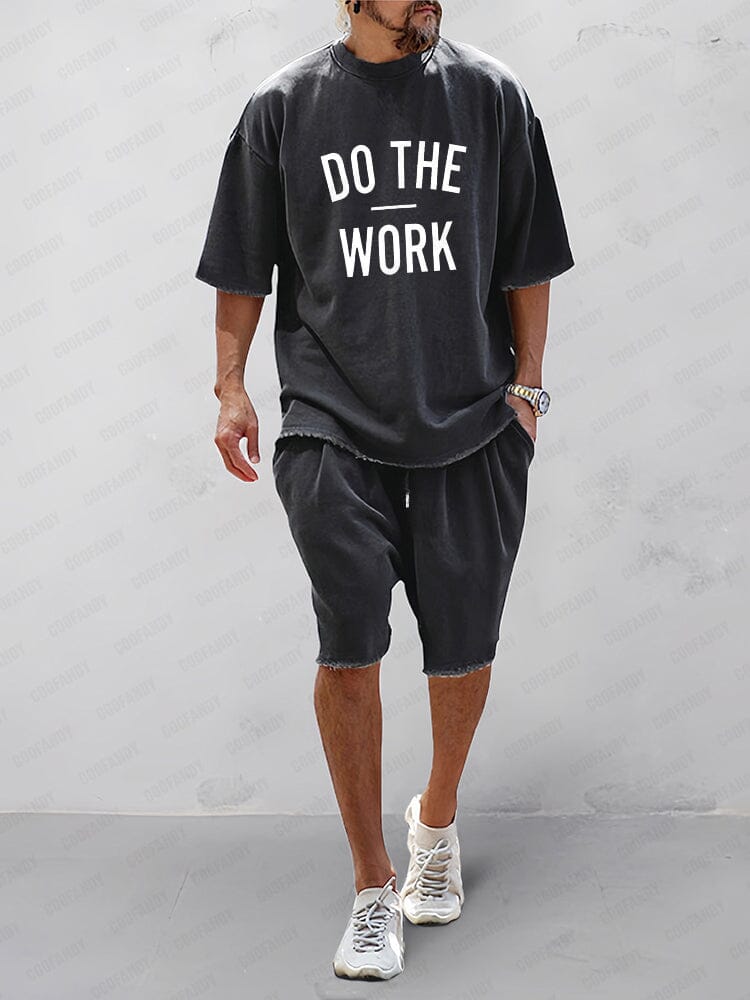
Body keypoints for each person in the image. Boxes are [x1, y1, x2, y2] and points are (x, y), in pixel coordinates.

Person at [195, 0, 574, 982]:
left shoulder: (492, 97)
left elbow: (530, 255)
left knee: (465, 644)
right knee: (350, 636)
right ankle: (372, 887)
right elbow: (241, 266)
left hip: (472, 419)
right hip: (331, 420)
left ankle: (434, 821)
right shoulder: (282, 109)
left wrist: (529, 391)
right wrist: (232, 387)